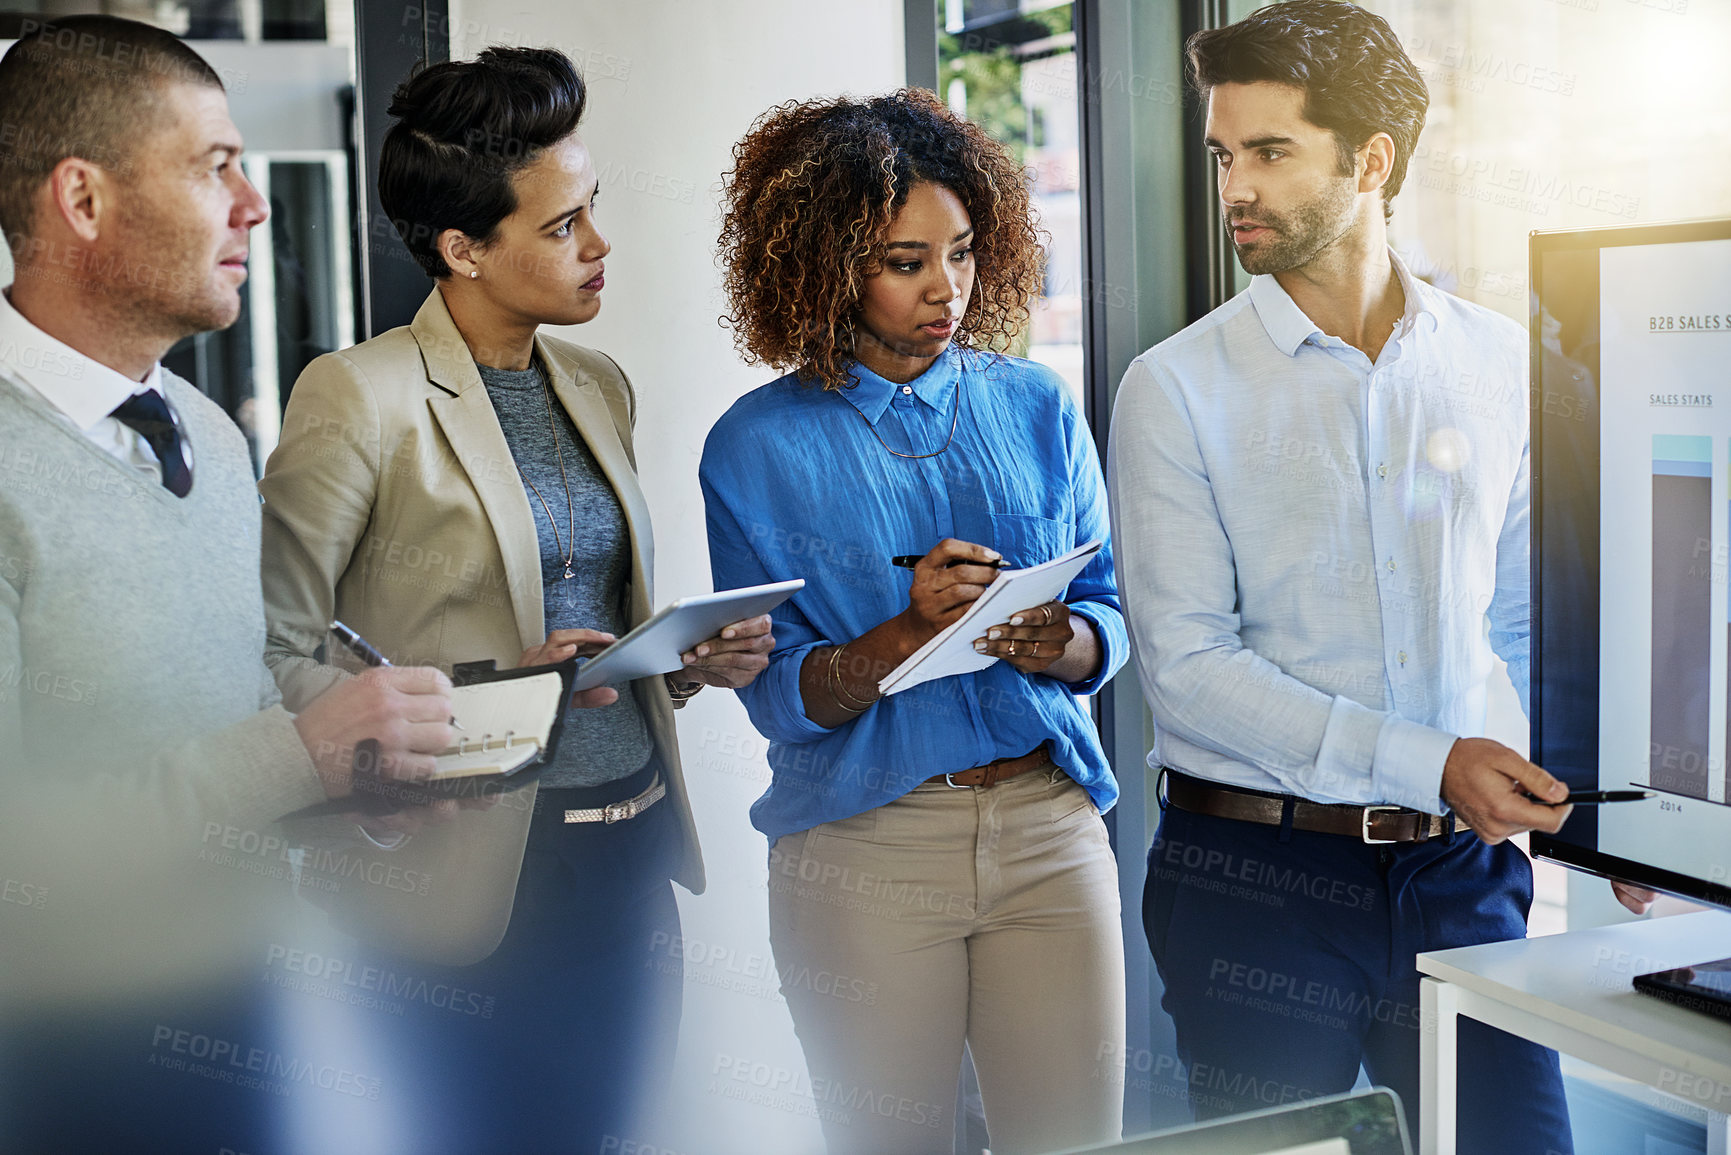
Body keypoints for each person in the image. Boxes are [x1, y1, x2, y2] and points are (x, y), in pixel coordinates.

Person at [1108, 2, 1650, 1148]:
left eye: (1270, 151)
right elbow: (1192, 671)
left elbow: (1520, 619)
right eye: (1225, 155)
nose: (1235, 188)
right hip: (1252, 883)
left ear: (1372, 160)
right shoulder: (1173, 388)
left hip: (1462, 880)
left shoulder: (1500, 360)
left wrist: (1606, 818)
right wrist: (1433, 762)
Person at [255, 45, 773, 1154]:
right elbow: (275, 648)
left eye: (593, 212)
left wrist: (679, 660)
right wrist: (489, 697)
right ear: (462, 249)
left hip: (630, 861)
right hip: (474, 885)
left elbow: (587, 631)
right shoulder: (359, 395)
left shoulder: (596, 384)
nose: (599, 246)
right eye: (561, 226)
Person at [0, 16, 456, 1153]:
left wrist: (356, 783)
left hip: (253, 1024)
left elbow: (225, 713)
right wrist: (293, 754)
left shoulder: (202, 427)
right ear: (83, 200)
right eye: (216, 168)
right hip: (59, 1071)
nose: (255, 205)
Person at [702, 89, 1128, 1155]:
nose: (949, 288)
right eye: (906, 261)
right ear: (824, 264)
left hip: (1048, 826)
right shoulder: (754, 447)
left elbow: (1108, 618)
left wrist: (1059, 641)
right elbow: (782, 701)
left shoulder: (1036, 406)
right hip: (866, 845)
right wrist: (904, 632)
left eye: (965, 252)